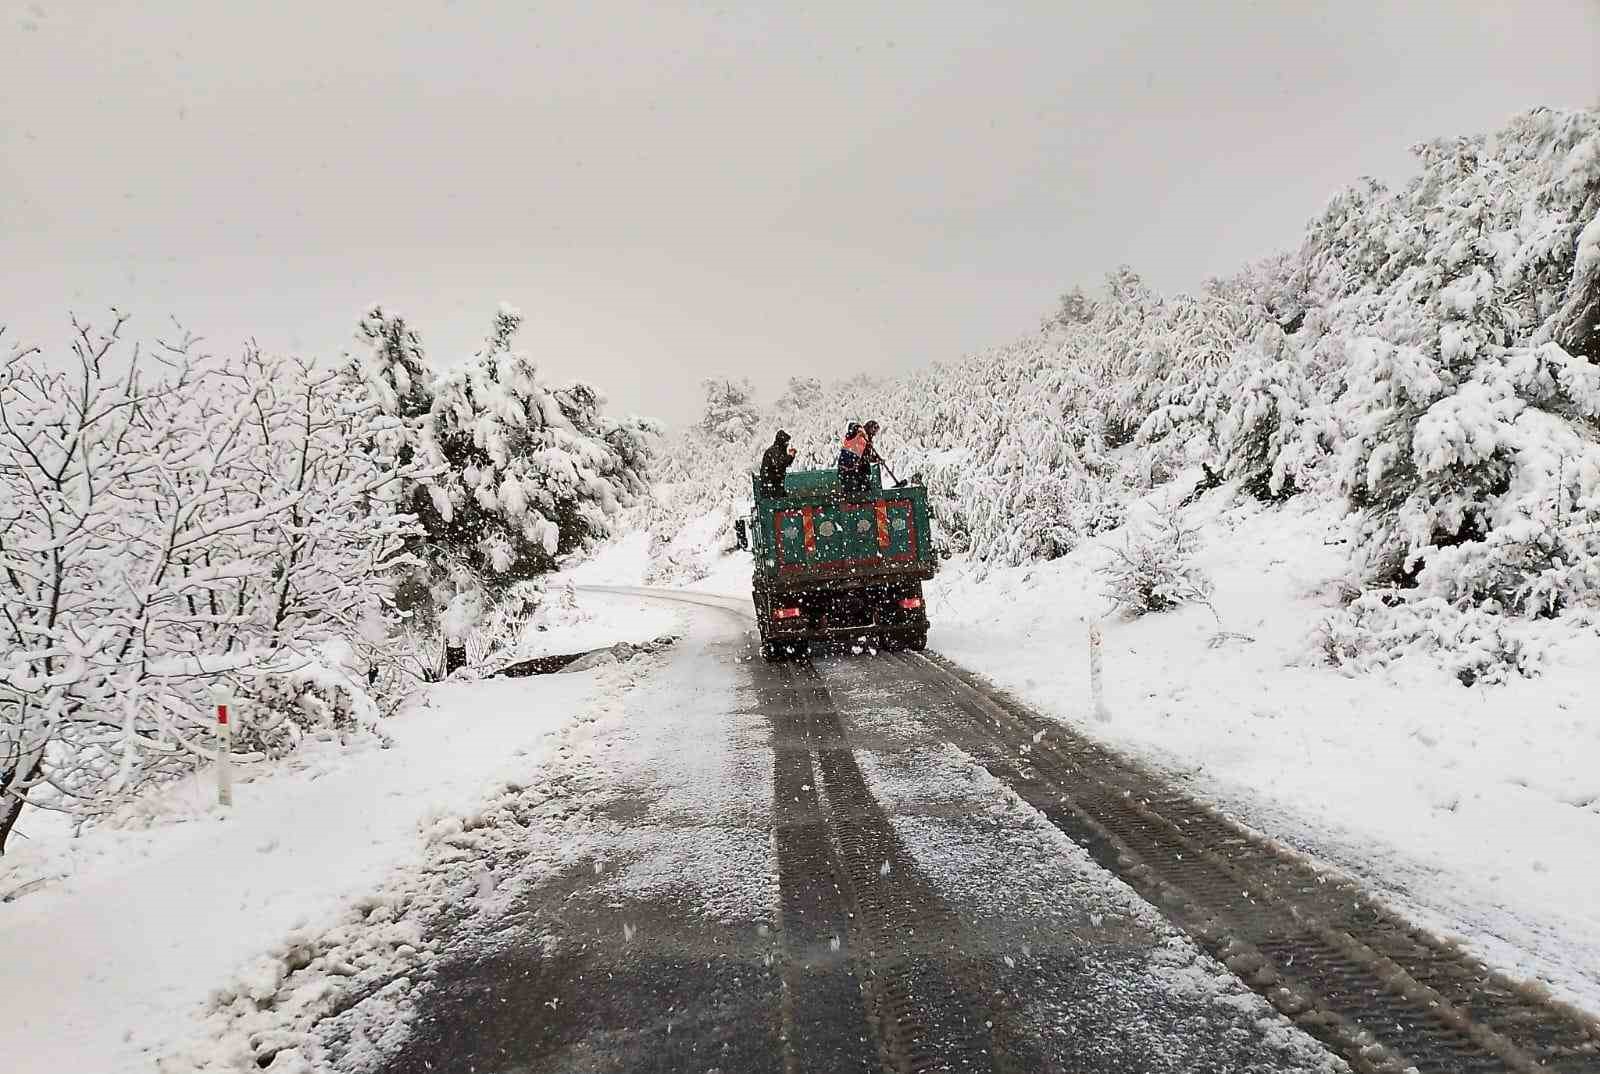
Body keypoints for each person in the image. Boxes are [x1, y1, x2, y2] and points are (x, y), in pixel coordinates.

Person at [759, 429, 796, 496]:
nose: (787, 444)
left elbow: (783, 464)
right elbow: (780, 464)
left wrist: (790, 457)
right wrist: (790, 456)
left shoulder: (777, 451)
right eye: (786, 442)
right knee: (785, 500)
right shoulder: (775, 451)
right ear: (782, 442)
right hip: (771, 487)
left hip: (773, 485)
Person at [838, 422, 869, 495]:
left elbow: (865, 454)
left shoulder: (857, 439)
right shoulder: (851, 438)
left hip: (851, 472)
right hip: (849, 473)